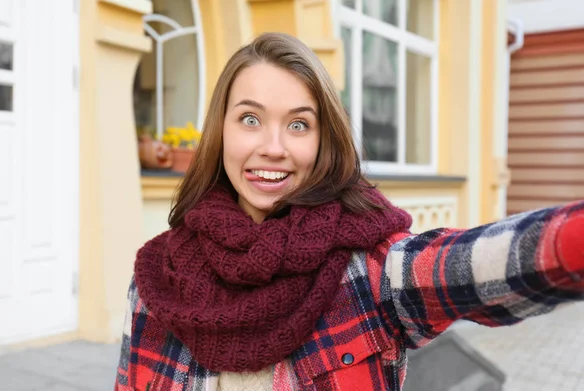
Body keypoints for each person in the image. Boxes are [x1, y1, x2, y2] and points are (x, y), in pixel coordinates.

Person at [115, 32, 584, 391]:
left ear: (324, 143)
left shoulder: (370, 273)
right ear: (221, 131)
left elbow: (476, 262)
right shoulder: (160, 277)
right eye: (250, 119)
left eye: (299, 124)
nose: (272, 147)